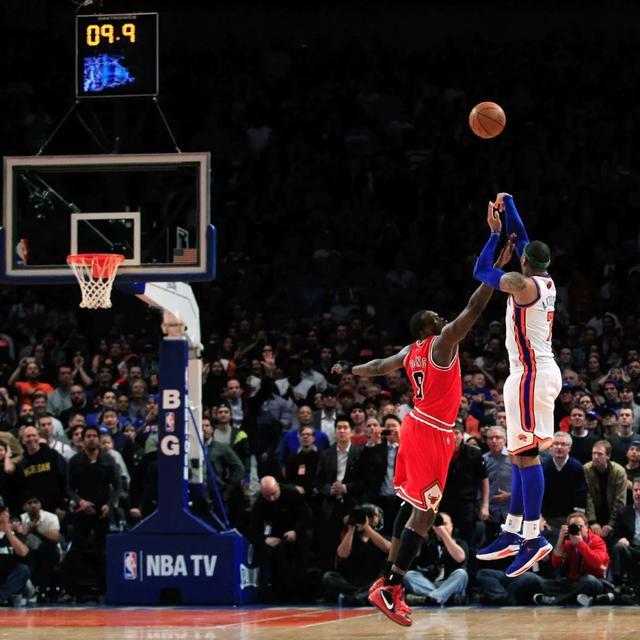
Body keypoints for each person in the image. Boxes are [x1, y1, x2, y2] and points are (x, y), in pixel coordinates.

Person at [332, 205, 514, 626]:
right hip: (431, 430)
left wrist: (348, 368)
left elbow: (378, 366)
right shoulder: (442, 342)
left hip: (417, 424)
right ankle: (391, 584)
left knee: (414, 504)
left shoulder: (409, 352)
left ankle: (388, 580)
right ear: (426, 328)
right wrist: (496, 271)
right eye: (436, 316)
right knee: (426, 513)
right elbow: (474, 307)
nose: (442, 317)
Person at [475, 193, 562, 577]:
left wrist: (495, 235)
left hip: (531, 375)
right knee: (518, 455)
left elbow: (481, 271)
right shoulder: (543, 279)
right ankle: (512, 532)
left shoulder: (521, 284)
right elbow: (524, 236)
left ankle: (533, 536)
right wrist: (508, 202)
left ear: (524, 262)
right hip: (533, 373)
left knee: (526, 456)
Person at [532, 512, 610, 606]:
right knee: (545, 584)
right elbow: (555, 563)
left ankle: (556, 600)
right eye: (573, 526)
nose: (577, 529)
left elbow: (597, 563)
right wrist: (560, 540)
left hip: (594, 581)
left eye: (580, 526)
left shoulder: (597, 541)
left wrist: (580, 544)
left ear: (586, 527)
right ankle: (578, 599)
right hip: (573, 583)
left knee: (589, 581)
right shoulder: (568, 542)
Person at [403, 511, 469, 607]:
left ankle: (432, 597)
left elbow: (460, 558)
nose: (442, 527)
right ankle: (442, 598)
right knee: (409, 575)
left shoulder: (460, 543)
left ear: (451, 526)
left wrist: (444, 534)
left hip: (450, 584)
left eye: (445, 524)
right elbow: (414, 556)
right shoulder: (429, 544)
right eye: (439, 524)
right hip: (430, 584)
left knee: (462, 574)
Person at [541, 432, 587, 530]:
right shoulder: (544, 467)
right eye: (556, 444)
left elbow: (581, 493)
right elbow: (539, 493)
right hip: (547, 517)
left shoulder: (577, 467)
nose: (559, 447)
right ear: (551, 447)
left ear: (569, 448)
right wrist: (540, 516)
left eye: (563, 444)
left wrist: (577, 518)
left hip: (569, 517)